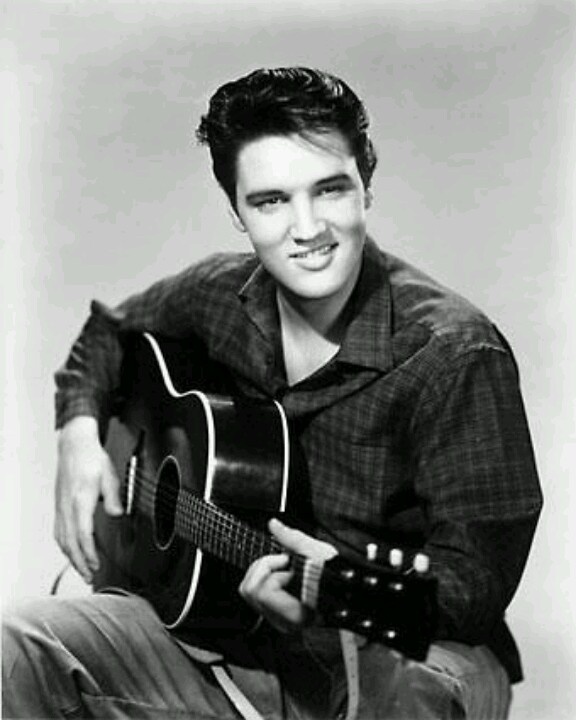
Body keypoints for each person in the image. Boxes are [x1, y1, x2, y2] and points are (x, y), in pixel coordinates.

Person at [2, 67, 542, 720]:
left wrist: (337, 597)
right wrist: (78, 433)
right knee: (17, 645)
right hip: (231, 640)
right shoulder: (219, 296)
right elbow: (108, 335)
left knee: (405, 689)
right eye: (271, 201)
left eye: (330, 190)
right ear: (237, 211)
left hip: (410, 643)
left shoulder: (454, 352)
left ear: (367, 181)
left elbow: (475, 587)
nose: (307, 228)